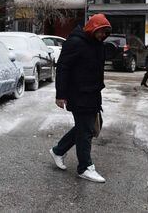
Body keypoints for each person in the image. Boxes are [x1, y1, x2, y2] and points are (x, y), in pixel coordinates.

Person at [49, 14, 111, 183]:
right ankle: (85, 167)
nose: (102, 35)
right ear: (92, 28)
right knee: (85, 131)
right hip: (78, 94)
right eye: (100, 32)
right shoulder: (75, 42)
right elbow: (63, 68)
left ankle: (58, 150)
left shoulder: (98, 44)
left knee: (84, 128)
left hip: (93, 94)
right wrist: (60, 95)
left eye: (105, 33)